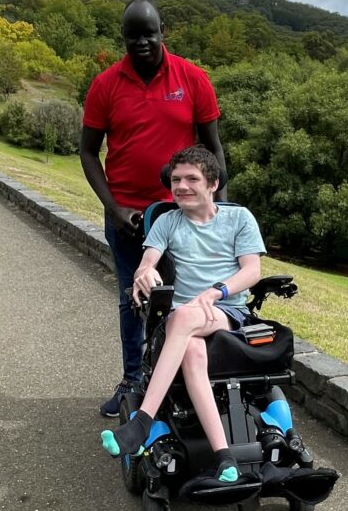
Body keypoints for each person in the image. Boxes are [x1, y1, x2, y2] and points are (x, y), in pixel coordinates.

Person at [81, 0, 227, 417]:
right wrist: (112, 208)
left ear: (163, 30)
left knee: (188, 299)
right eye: (133, 35)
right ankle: (133, 380)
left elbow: (213, 149)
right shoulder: (106, 84)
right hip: (127, 217)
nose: (142, 42)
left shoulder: (193, 78)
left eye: (149, 33)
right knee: (135, 299)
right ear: (123, 37)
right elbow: (89, 153)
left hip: (181, 215)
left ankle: (186, 384)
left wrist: (215, 206)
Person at [99, 146, 264, 484]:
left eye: (192, 179)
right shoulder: (167, 222)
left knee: (186, 316)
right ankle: (225, 457)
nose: (182, 186)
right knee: (190, 348)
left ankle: (141, 422)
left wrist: (215, 291)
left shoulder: (239, 218)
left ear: (213, 184)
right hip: (182, 321)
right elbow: (147, 262)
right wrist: (144, 274)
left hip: (225, 311)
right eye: (176, 180)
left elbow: (252, 271)